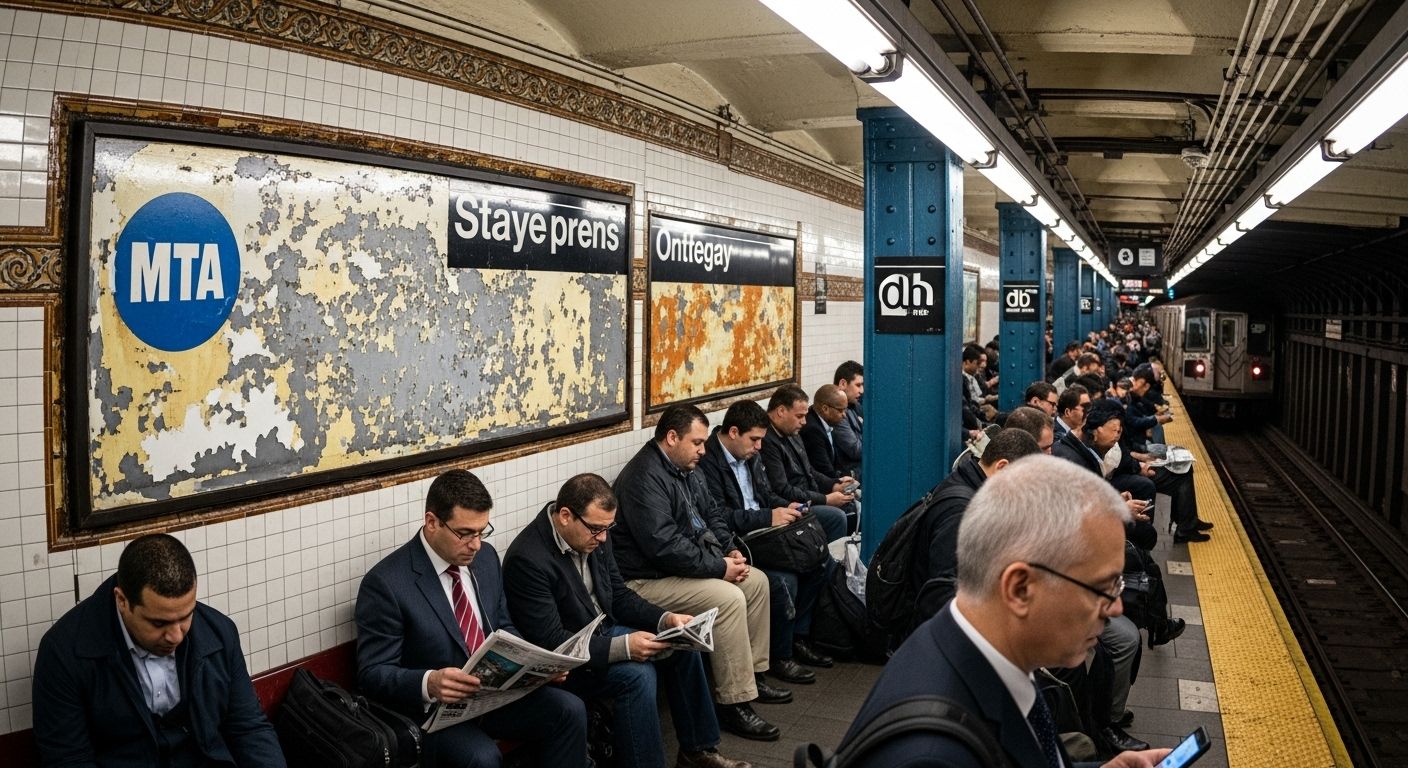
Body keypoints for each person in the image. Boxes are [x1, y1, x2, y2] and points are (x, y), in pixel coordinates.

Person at [839, 456, 1173, 768]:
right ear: (1019, 589)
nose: (1115, 606)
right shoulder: (935, 755)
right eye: (1103, 586)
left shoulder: (969, 649)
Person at [503, 474, 749, 768]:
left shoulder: (595, 535)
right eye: (596, 530)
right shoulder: (528, 559)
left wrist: (664, 619)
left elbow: (619, 595)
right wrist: (625, 647)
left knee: (682, 647)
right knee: (637, 676)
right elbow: (553, 642)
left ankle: (698, 751)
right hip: (567, 663)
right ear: (565, 516)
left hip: (605, 631)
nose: (604, 538)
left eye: (608, 528)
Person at [355, 469, 587, 768]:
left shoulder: (486, 559)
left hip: (493, 696)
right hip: (436, 712)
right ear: (432, 522)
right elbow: (373, 673)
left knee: (570, 710)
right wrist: (429, 682)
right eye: (465, 533)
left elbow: (502, 626)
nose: (476, 544)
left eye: (482, 531)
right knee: (481, 758)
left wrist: (537, 666)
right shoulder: (387, 583)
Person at [33, 533, 285, 767]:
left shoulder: (219, 632)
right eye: (158, 623)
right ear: (122, 601)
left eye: (187, 616)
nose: (175, 635)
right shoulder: (65, 653)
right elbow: (69, 760)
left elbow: (248, 728)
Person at [611, 404, 785, 742]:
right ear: (672, 438)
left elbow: (713, 514)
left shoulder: (687, 468)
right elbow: (664, 546)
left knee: (756, 581)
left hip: (678, 569)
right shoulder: (643, 478)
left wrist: (729, 550)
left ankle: (753, 675)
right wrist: (719, 567)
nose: (704, 451)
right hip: (645, 581)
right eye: (697, 442)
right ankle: (734, 702)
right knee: (730, 597)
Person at [698, 400, 838, 681]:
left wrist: (788, 507)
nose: (759, 447)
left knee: (820, 559)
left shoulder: (750, 455)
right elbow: (720, 516)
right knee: (785, 579)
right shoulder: (708, 461)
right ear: (734, 432)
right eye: (755, 440)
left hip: (765, 528)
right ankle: (780, 655)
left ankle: (801, 635)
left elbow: (765, 495)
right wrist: (767, 517)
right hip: (744, 537)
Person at [760, 384, 858, 533]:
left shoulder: (792, 432)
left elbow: (809, 470)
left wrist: (834, 484)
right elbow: (782, 488)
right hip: (792, 504)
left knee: (856, 504)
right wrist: (825, 499)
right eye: (799, 416)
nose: (804, 422)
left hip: (809, 495)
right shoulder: (765, 441)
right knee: (837, 517)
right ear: (781, 411)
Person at [799, 384, 853, 480]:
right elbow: (824, 470)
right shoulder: (812, 430)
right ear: (825, 409)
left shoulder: (826, 420)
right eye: (840, 410)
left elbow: (837, 461)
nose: (844, 415)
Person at [832, 360, 864, 475]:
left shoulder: (855, 405)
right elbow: (856, 450)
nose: (862, 391)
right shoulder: (836, 412)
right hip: (850, 473)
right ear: (843, 384)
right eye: (858, 385)